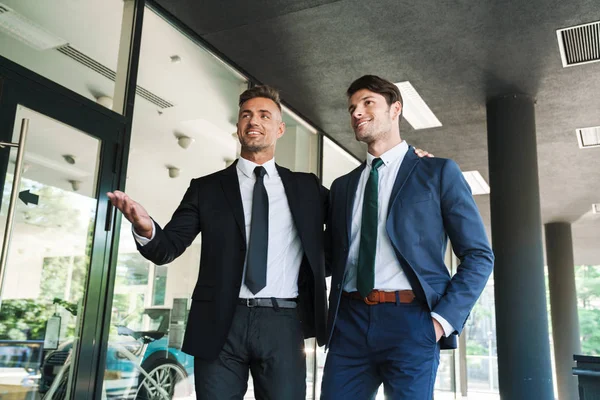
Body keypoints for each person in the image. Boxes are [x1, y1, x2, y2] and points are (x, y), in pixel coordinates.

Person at [107, 85, 328, 400]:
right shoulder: (206, 189)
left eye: (265, 115)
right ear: (238, 128)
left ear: (279, 129)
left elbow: (348, 224)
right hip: (219, 324)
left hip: (283, 322)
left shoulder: (306, 188)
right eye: (246, 115)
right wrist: (145, 227)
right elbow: (167, 247)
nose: (254, 121)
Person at [321, 75, 494, 400]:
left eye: (367, 103)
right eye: (352, 108)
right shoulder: (343, 187)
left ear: (395, 109)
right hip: (349, 322)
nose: (357, 112)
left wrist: (441, 322)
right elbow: (329, 259)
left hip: (412, 322)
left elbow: (479, 256)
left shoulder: (437, 172)